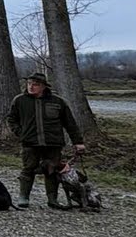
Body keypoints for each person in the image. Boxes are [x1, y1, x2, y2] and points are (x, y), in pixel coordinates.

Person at [7, 71, 86, 210]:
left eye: (35, 84)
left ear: (43, 86)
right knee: (28, 169)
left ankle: (52, 199)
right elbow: (11, 119)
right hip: (30, 142)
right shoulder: (19, 101)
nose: (31, 87)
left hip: (53, 142)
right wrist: (21, 133)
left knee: (52, 170)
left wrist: (78, 142)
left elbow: (70, 123)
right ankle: (24, 197)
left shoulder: (58, 102)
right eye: (29, 84)